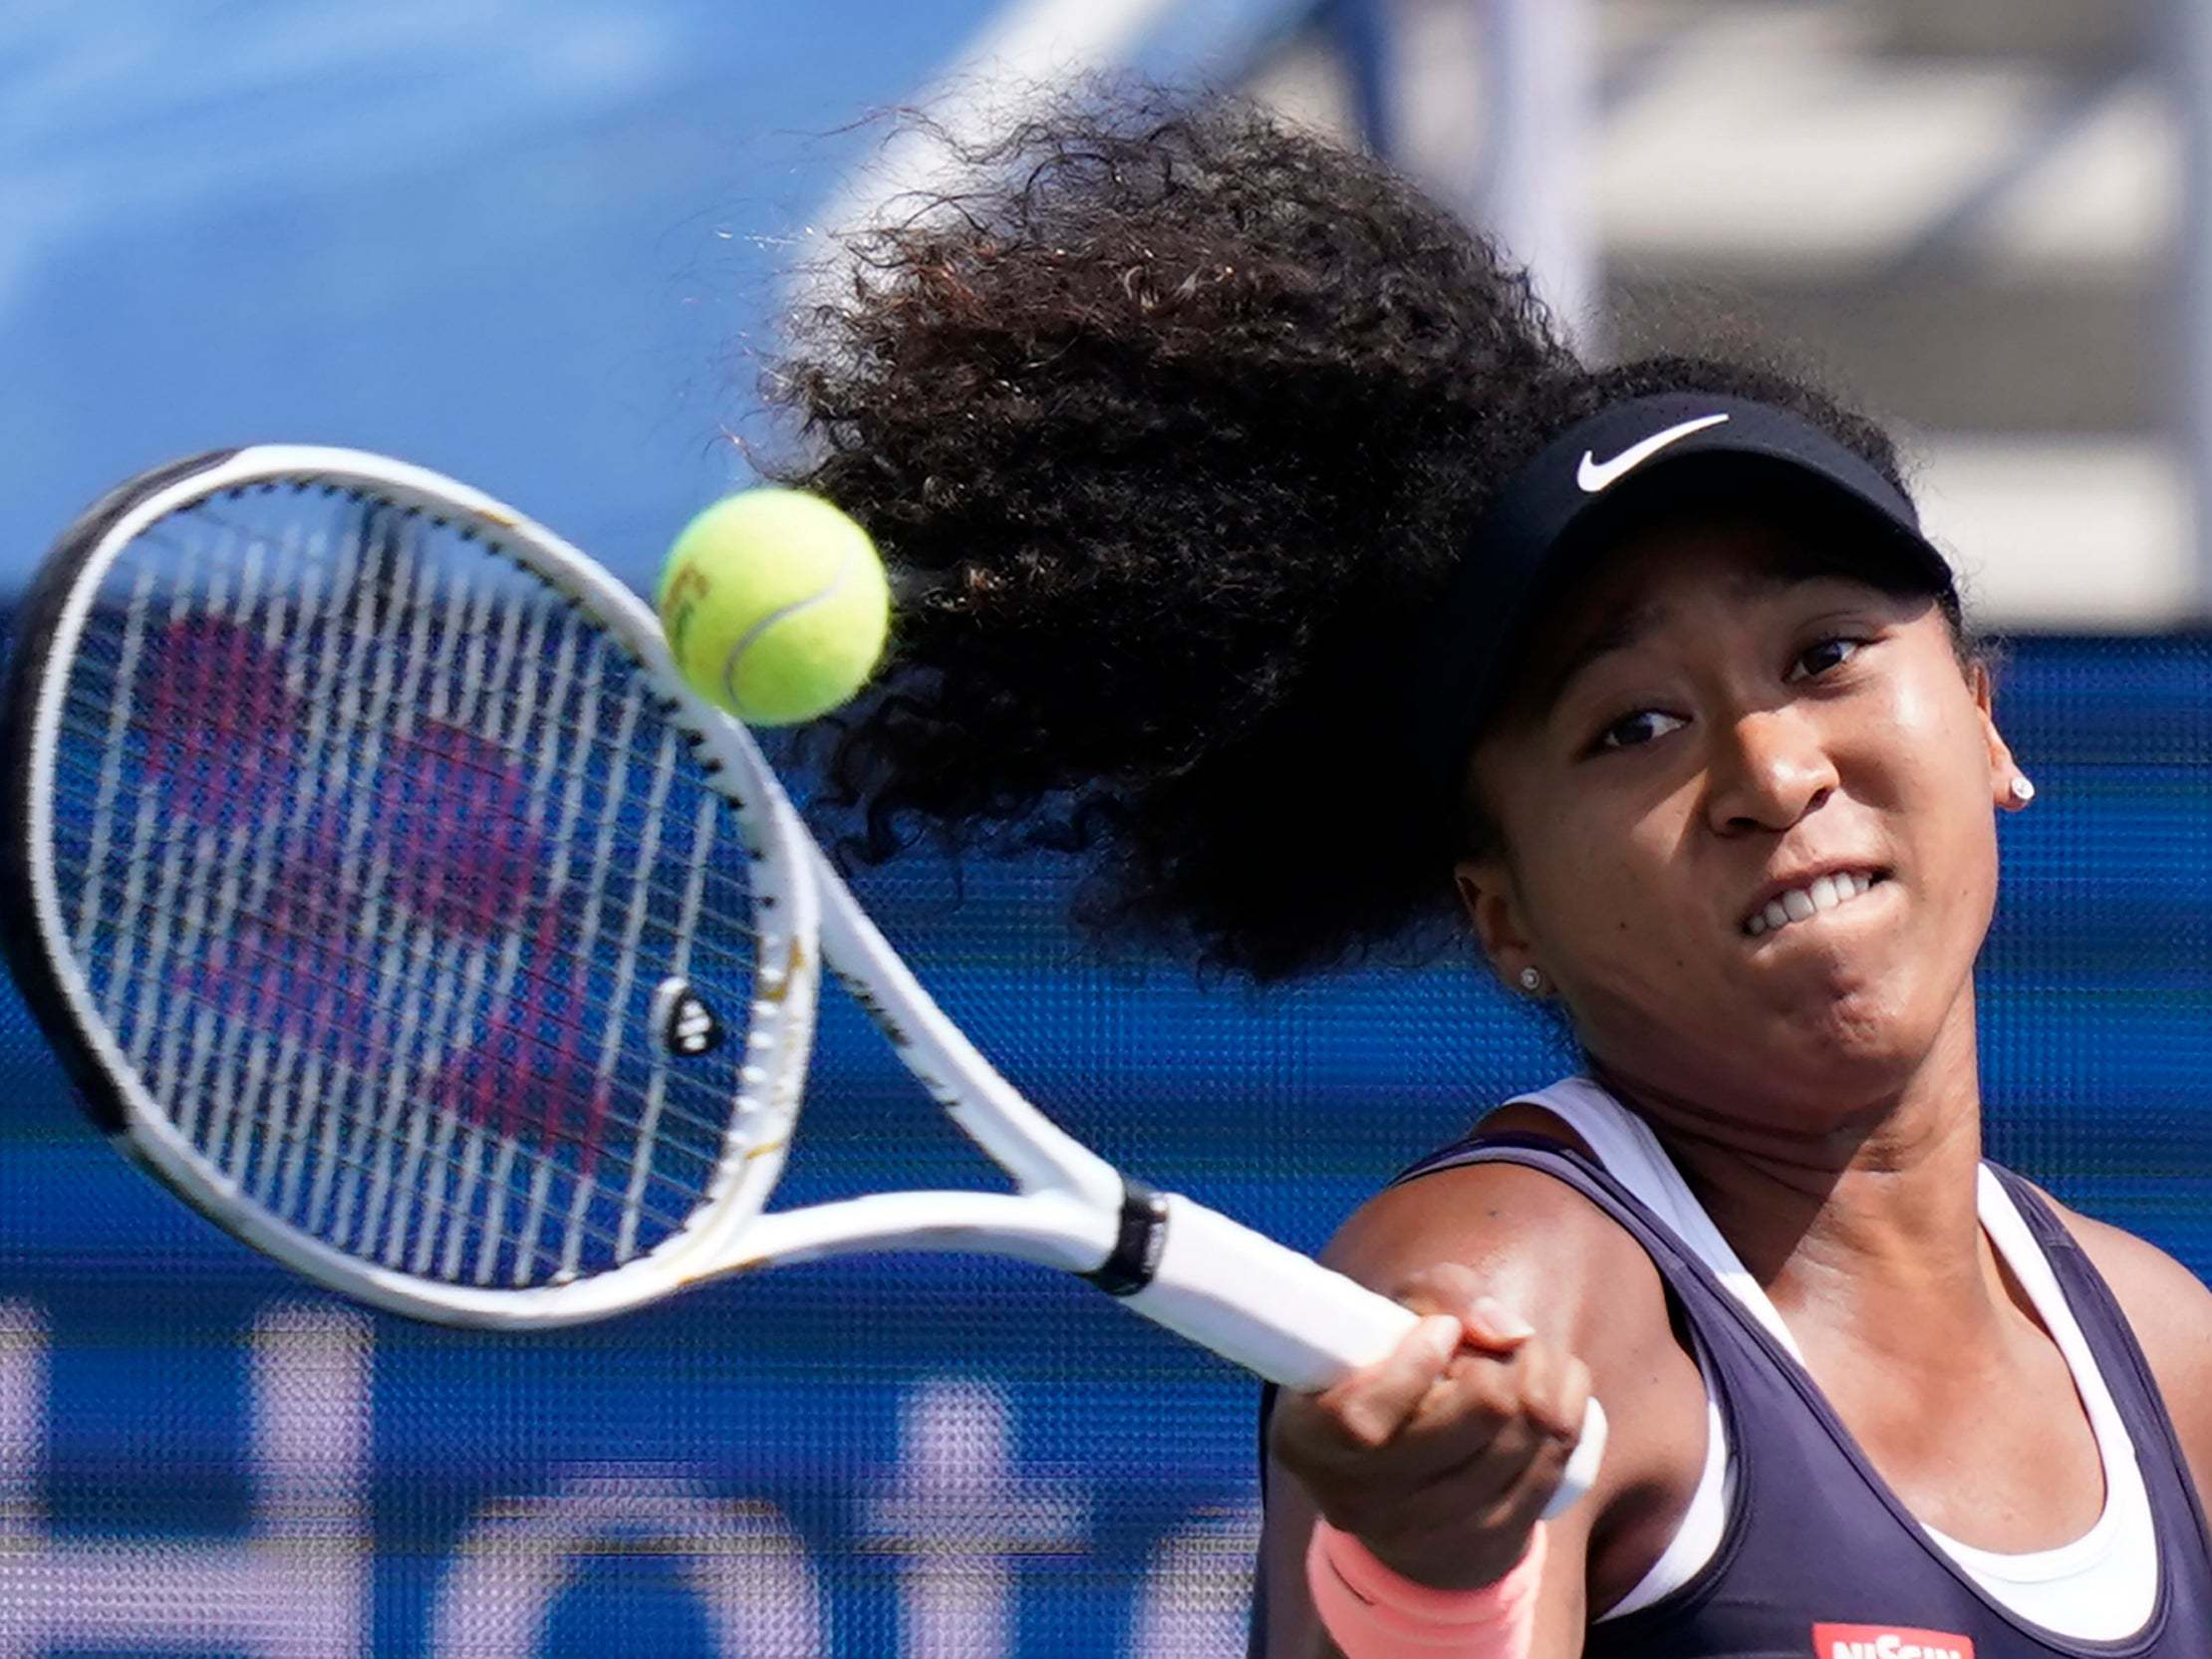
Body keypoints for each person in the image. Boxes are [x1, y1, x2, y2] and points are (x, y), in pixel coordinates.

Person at [762, 90, 2212, 1656]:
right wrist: (1428, 1584)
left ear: (1985, 725)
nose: (1774, 773)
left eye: (1827, 652)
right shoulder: (1501, 1285)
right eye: (1633, 724)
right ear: (1501, 908)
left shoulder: (2168, 1353)